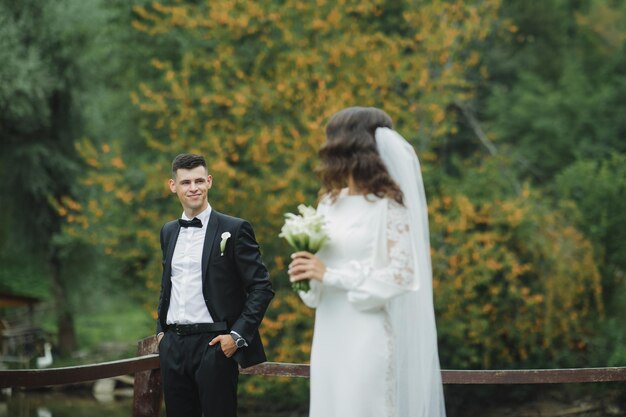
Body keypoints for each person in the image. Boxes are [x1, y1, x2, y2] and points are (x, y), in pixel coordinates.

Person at [288, 107, 446, 417]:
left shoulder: (389, 206)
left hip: (365, 333)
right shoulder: (328, 203)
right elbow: (318, 283)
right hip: (328, 332)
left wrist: (330, 275)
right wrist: (306, 274)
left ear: (347, 145)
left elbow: (401, 275)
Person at [155, 153, 274, 417]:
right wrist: (161, 331)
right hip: (173, 345)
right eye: (185, 182)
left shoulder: (235, 228)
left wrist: (236, 336)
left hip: (215, 345)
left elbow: (261, 287)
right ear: (173, 186)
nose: (193, 187)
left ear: (209, 182)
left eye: (199, 180)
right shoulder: (168, 231)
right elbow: (169, 285)